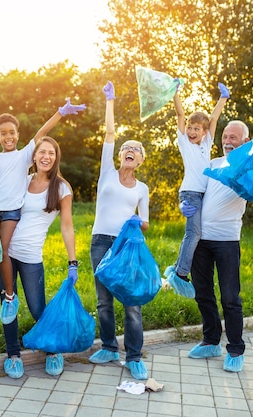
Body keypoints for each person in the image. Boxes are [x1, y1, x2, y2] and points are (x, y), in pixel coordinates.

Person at [184, 120, 253, 373]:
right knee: (203, 293)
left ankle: (235, 348)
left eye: (234, 138)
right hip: (201, 239)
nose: (227, 141)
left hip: (227, 241)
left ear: (245, 142)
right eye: (225, 136)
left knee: (230, 298)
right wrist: (185, 205)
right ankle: (211, 341)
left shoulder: (250, 168)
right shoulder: (212, 164)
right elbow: (194, 191)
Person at [0, 100, 86, 326]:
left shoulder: (26, 157)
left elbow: (42, 132)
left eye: (12, 132)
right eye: (3, 134)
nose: (8, 137)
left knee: (3, 251)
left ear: (18, 134)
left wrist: (60, 113)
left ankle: (14, 303)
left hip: (18, 225)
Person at [0, 136, 78, 379]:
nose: (46, 157)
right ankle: (13, 355)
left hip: (30, 256)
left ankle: (52, 350)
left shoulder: (62, 188)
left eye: (51, 153)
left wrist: (73, 262)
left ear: (56, 158)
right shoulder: (23, 180)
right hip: (5, 253)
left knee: (37, 307)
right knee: (8, 305)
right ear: (34, 156)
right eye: (42, 152)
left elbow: (67, 226)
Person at [88, 81, 151, 380]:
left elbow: (146, 222)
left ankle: (135, 356)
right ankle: (110, 347)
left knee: (132, 303)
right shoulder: (107, 174)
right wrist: (110, 101)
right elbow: (110, 134)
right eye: (127, 148)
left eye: (136, 150)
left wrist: (136, 223)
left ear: (140, 161)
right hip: (100, 242)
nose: (130, 150)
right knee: (104, 300)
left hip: (125, 247)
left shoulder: (142, 188)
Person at [164, 82, 230, 298]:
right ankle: (181, 273)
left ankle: (178, 267)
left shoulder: (206, 144)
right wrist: (175, 94)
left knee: (197, 234)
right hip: (191, 193)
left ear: (203, 133)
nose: (192, 131)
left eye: (196, 129)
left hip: (204, 194)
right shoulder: (185, 143)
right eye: (190, 128)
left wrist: (223, 99)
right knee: (194, 233)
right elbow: (180, 114)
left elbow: (213, 120)